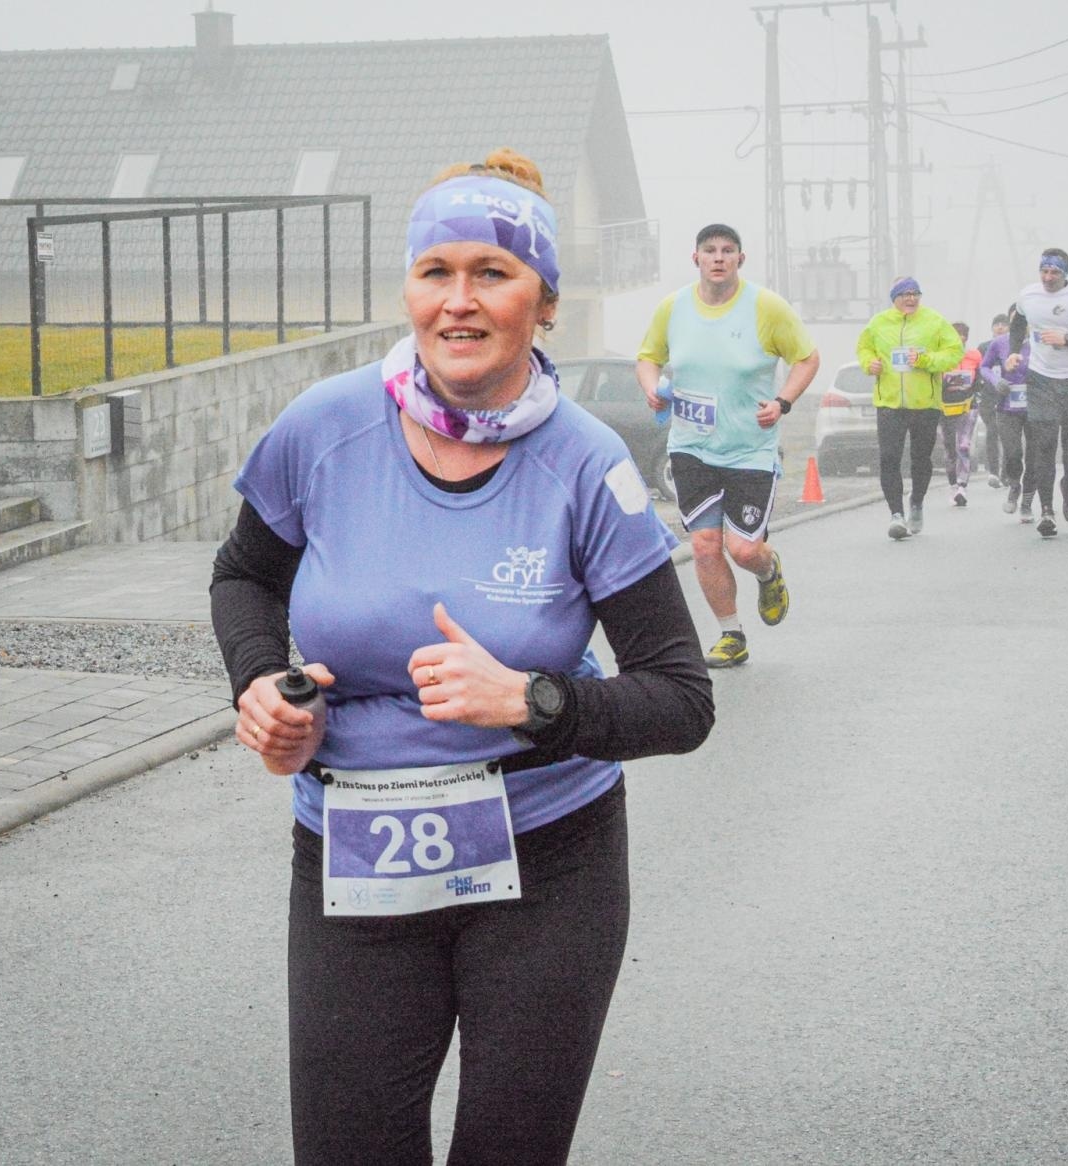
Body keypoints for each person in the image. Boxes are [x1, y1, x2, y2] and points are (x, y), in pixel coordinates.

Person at [210, 148, 715, 1165]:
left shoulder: (584, 461)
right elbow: (243, 577)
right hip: (354, 857)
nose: (459, 301)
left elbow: (679, 696)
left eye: (493, 272)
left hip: (547, 864)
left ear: (544, 301)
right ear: (407, 289)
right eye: (435, 272)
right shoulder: (324, 426)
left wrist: (533, 699)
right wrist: (262, 681)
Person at [637, 224, 820, 665]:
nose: (718, 258)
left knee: (744, 549)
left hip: (749, 450)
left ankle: (769, 570)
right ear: (695, 258)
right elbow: (649, 357)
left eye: (727, 251)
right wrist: (651, 387)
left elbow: (807, 358)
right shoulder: (673, 308)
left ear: (741, 259)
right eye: (710, 250)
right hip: (691, 447)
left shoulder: (766, 307)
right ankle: (730, 634)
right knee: (703, 544)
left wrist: (783, 402)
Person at [853, 276, 965, 538]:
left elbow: (954, 352)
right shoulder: (878, 323)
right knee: (889, 458)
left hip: (925, 403)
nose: (911, 298)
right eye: (905, 294)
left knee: (920, 459)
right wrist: (870, 364)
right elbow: (863, 350)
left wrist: (926, 360)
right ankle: (896, 515)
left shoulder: (934, 321)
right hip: (889, 403)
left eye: (915, 293)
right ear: (894, 298)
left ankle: (916, 501)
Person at [1010, 249, 1068, 537]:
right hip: (1040, 379)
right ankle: (1047, 510)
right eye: (1044, 272)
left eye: (1055, 273)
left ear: (1065, 274)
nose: (1048, 278)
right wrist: (1013, 352)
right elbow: (1018, 322)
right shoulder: (1028, 295)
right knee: (1043, 446)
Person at [979, 316, 1032, 520]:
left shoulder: (1040, 342)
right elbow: (984, 367)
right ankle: (1014, 484)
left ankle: (1027, 501)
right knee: (1013, 453)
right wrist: (996, 380)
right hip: (1007, 406)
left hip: (1035, 406)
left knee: (1034, 456)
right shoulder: (1000, 343)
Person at [939, 321, 982, 506]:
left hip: (968, 405)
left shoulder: (974, 355)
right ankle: (952, 486)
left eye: (964, 334)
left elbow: (981, 377)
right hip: (945, 407)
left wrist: (979, 389)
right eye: (957, 333)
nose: (961, 337)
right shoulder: (940, 356)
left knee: (963, 445)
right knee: (950, 448)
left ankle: (962, 486)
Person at [975, 313, 1010, 488]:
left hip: (1008, 397)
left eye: (1004, 324)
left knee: (1007, 436)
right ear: (992, 328)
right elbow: (977, 370)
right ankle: (994, 471)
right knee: (992, 432)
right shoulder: (983, 347)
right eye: (997, 324)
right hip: (988, 397)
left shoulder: (1012, 347)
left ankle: (1005, 472)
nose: (1000, 327)